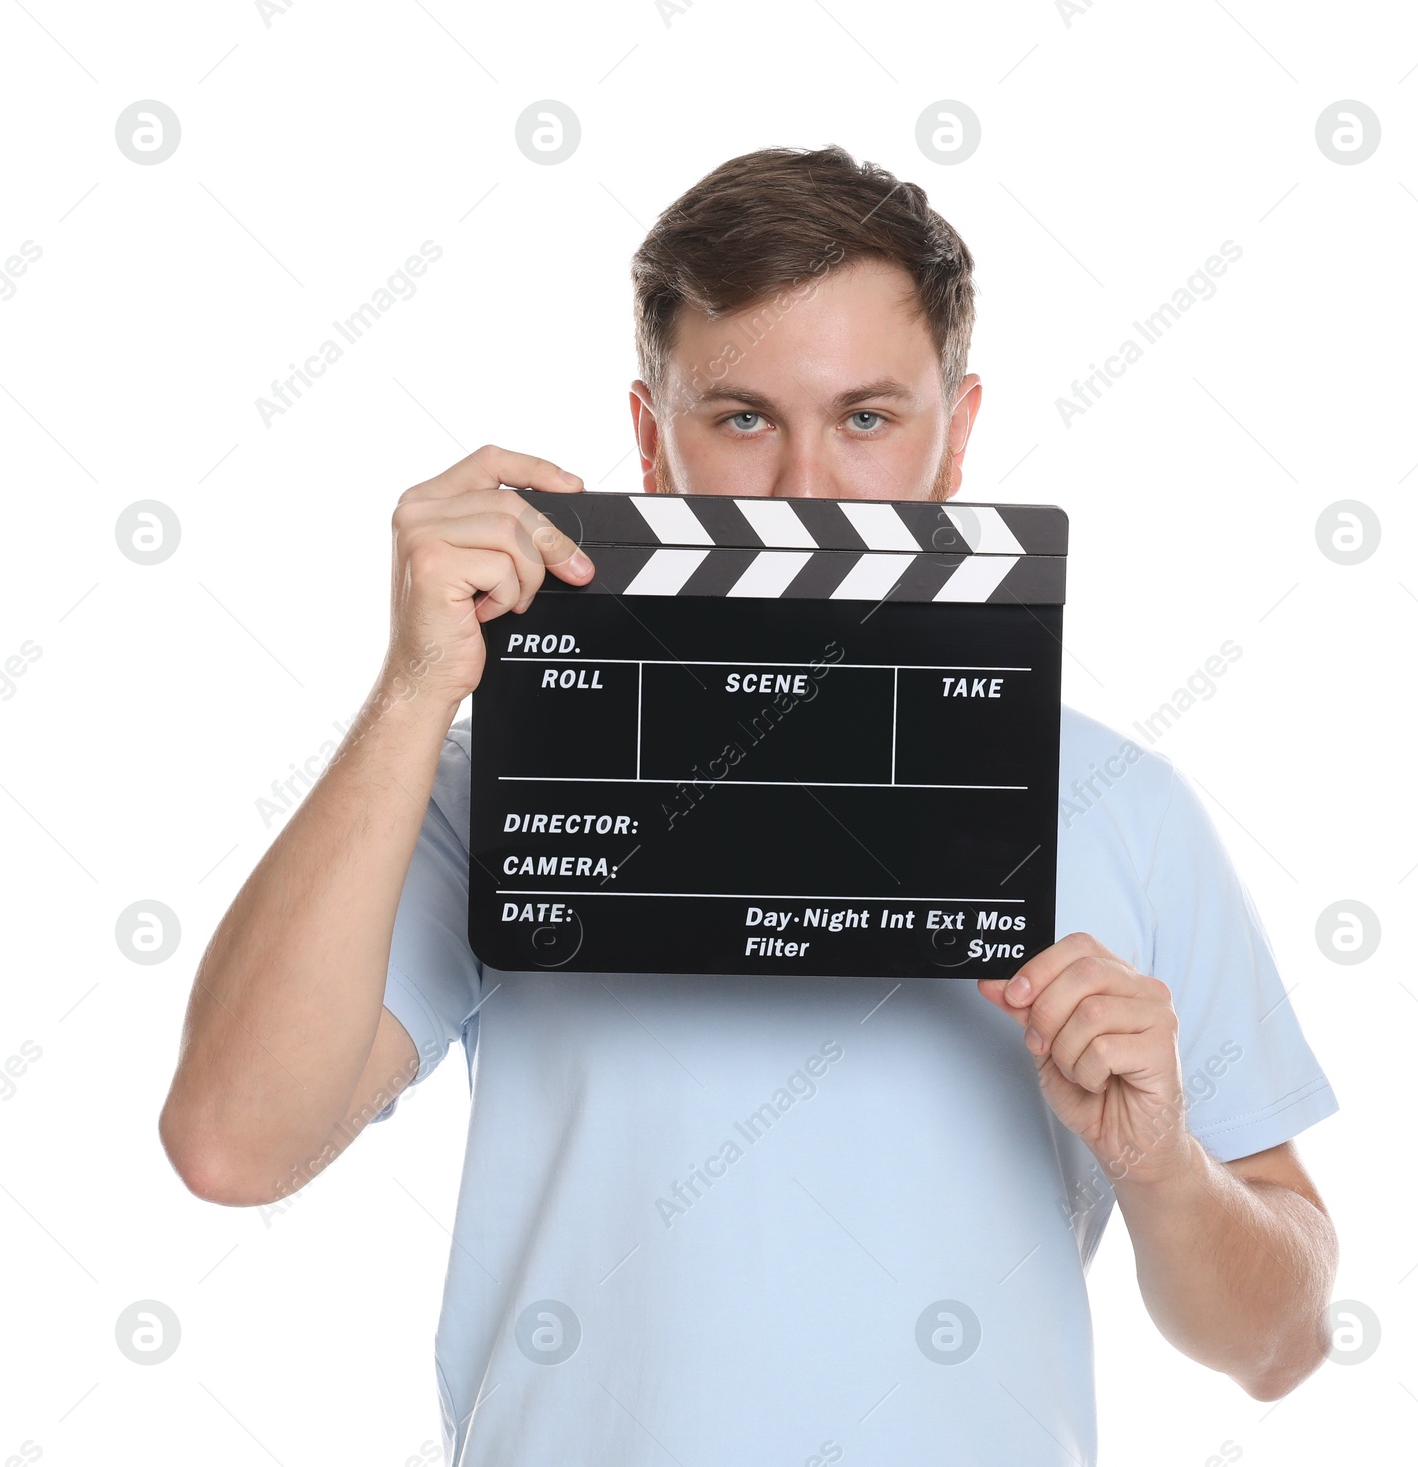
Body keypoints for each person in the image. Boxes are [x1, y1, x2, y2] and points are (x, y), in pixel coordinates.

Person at [160, 145, 1339, 1465]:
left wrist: (1166, 1166)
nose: (805, 490)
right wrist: (412, 691)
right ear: (648, 436)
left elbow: (1282, 1346)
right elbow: (232, 1145)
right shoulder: (494, 780)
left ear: (959, 430)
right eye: (740, 419)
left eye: (869, 417)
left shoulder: (1124, 805)